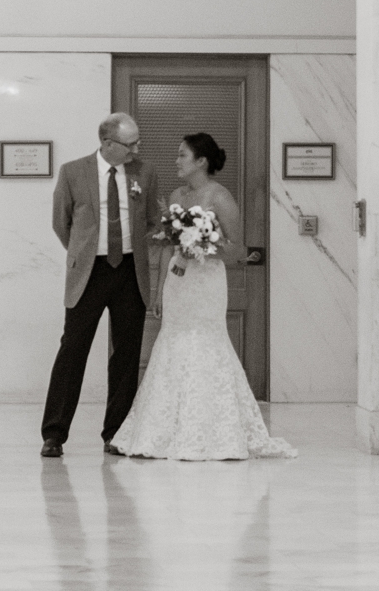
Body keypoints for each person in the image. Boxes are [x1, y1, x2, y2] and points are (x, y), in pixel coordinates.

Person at [109, 131, 297, 462]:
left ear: (201, 161)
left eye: (182, 155)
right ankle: (160, 430)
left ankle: (212, 430)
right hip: (179, 284)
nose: (176, 161)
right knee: (171, 343)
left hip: (207, 282)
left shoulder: (220, 197)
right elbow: (169, 247)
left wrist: (204, 244)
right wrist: (160, 289)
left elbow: (238, 250)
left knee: (205, 344)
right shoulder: (177, 195)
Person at [41, 113, 151, 457]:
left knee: (126, 353)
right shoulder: (73, 172)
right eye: (130, 144)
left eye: (137, 142)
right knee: (72, 350)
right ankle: (54, 433)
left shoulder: (144, 172)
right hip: (90, 272)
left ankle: (116, 432)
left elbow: (148, 220)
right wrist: (85, 253)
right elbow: (62, 223)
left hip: (130, 271)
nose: (137, 149)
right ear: (107, 144)